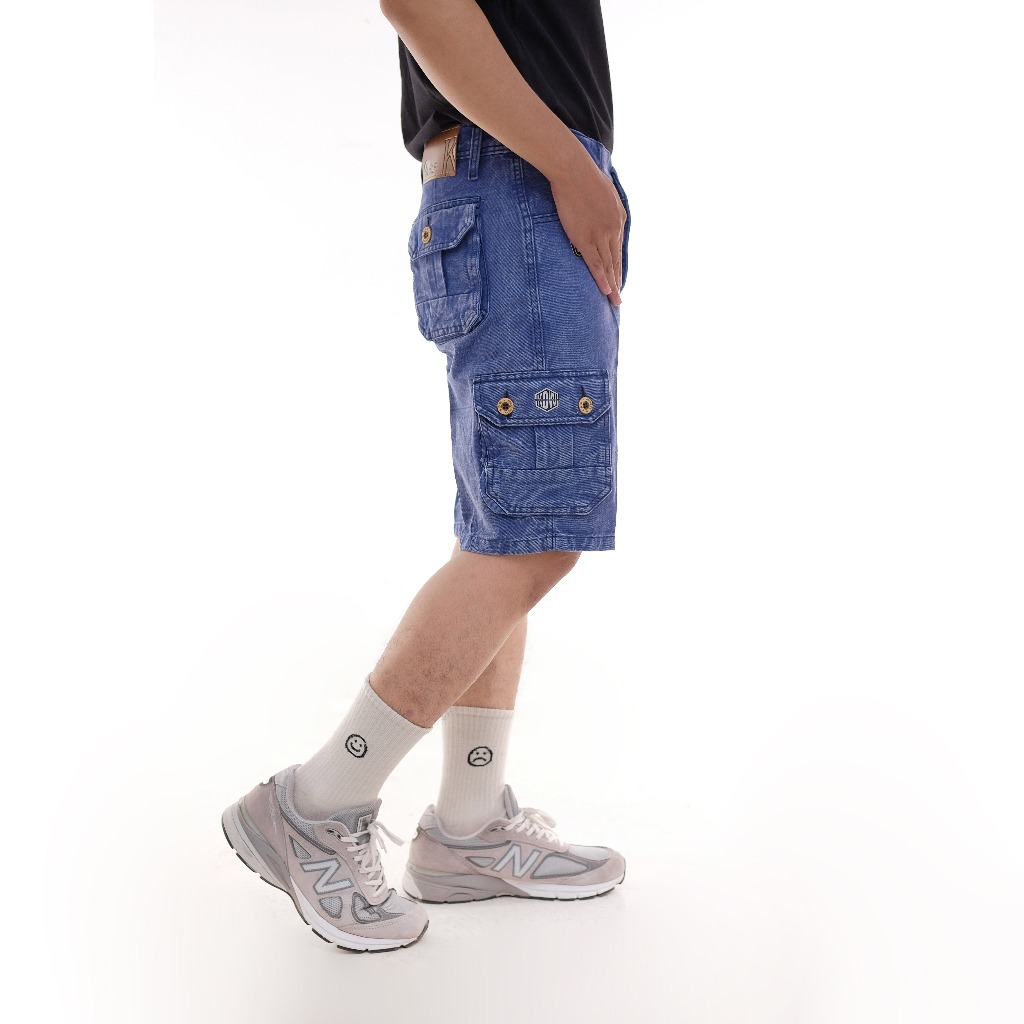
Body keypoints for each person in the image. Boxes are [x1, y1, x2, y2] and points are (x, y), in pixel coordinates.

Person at [221, 0, 631, 952]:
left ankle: (469, 826)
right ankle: (316, 803)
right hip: (526, 177)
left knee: (513, 527)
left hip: (521, 177)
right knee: (534, 534)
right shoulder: (546, 169)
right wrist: (570, 169)